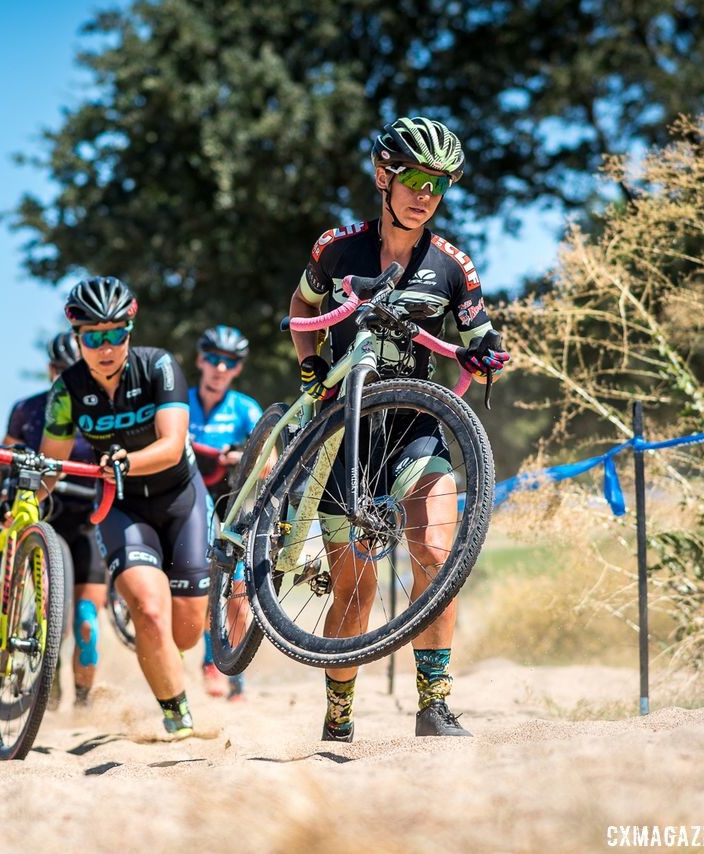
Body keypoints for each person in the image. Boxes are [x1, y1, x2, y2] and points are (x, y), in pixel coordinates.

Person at [287, 116, 510, 741]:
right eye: (413, 179)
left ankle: (434, 705)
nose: (424, 195)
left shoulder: (453, 266)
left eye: (438, 185)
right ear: (384, 177)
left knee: (436, 554)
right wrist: (310, 368)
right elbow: (302, 308)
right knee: (354, 590)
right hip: (342, 428)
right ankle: (339, 715)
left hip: (415, 424)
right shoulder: (336, 249)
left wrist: (488, 351)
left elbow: (476, 331)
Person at [39, 277, 210, 738]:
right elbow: (51, 467)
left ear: (130, 333)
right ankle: (177, 715)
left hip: (181, 499)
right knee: (150, 612)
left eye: (116, 333)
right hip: (122, 507)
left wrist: (123, 460)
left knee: (187, 631)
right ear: (78, 339)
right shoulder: (66, 391)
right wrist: (26, 503)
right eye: (93, 337)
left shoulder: (160, 367)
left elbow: (173, 447)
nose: (106, 346)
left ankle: (178, 665)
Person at [3, 332, 107, 707]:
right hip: (45, 517)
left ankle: (82, 700)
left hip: (89, 521)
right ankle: (49, 678)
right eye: (62, 371)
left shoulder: (100, 409)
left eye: (76, 370)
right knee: (50, 618)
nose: (68, 377)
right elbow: (10, 461)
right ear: (50, 370)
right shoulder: (26, 410)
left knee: (84, 622)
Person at [188, 324, 261, 701]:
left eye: (229, 362)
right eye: (213, 359)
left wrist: (240, 456)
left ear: (237, 369)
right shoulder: (181, 405)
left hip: (235, 500)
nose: (219, 367)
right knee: (203, 583)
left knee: (238, 590)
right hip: (193, 499)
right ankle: (209, 660)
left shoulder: (246, 408)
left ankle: (237, 678)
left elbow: (271, 462)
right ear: (201, 360)